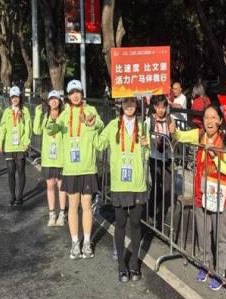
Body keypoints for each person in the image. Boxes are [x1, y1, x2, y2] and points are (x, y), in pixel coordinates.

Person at [172, 104, 226, 290]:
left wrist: (214, 155)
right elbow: (180, 136)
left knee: (220, 235)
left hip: (220, 195)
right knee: (203, 231)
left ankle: (220, 272)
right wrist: (173, 130)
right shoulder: (199, 135)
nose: (209, 121)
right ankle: (205, 264)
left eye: (214, 117)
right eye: (206, 117)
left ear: (220, 120)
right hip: (202, 193)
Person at [48, 79, 103, 260]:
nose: (75, 95)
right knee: (72, 206)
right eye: (72, 93)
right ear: (68, 96)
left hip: (87, 167)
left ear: (82, 93)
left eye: (77, 91)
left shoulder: (90, 110)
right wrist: (52, 118)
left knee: (86, 206)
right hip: (70, 169)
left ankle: (86, 242)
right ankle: (74, 243)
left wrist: (90, 122)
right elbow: (51, 130)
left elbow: (100, 125)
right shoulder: (64, 114)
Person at [95, 97, 149, 282]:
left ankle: (134, 264)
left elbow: (147, 155)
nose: (129, 106)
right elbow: (100, 144)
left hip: (137, 183)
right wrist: (91, 126)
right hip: (119, 183)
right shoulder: (112, 125)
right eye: (126, 103)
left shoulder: (143, 127)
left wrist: (146, 146)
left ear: (137, 105)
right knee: (120, 223)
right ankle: (121, 266)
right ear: (121, 105)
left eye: (132, 103)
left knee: (135, 223)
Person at [34, 90, 67, 227]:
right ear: (48, 102)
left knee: (61, 186)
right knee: (50, 186)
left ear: (60, 101)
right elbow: (36, 130)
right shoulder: (45, 115)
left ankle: (62, 213)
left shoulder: (64, 115)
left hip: (61, 158)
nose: (53, 101)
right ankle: (52, 213)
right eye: (51, 99)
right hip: (48, 158)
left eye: (56, 99)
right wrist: (38, 113)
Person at [0, 86, 32, 207]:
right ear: (10, 99)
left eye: (16, 97)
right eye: (12, 97)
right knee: (11, 171)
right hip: (9, 146)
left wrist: (26, 142)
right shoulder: (7, 111)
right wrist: (0, 142)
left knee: (21, 171)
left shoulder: (25, 111)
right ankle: (12, 196)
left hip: (21, 146)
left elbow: (28, 127)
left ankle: (20, 196)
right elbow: (2, 128)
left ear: (20, 97)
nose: (14, 99)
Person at [145, 94, 174, 230]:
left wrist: (174, 133)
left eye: (163, 107)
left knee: (167, 187)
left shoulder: (170, 120)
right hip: (154, 157)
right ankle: (151, 212)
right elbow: (143, 137)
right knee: (156, 186)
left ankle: (160, 216)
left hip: (167, 157)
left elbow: (174, 138)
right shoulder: (149, 121)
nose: (161, 110)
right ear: (154, 107)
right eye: (158, 107)